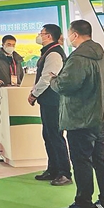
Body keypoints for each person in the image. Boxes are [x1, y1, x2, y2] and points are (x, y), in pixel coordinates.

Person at [50, 20, 104, 208]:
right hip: (100, 116)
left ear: (75, 34)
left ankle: (84, 205)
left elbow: (66, 85)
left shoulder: (78, 58)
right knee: (101, 160)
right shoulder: (102, 55)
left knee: (81, 162)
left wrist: (54, 80)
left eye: (69, 33)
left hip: (80, 118)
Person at [28, 24, 71, 186]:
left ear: (48, 36)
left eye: (41, 33)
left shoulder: (54, 54)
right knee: (48, 135)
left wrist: (34, 93)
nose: (39, 36)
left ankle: (64, 172)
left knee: (55, 136)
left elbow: (47, 77)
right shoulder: (49, 52)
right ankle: (53, 169)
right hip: (48, 101)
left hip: (54, 101)